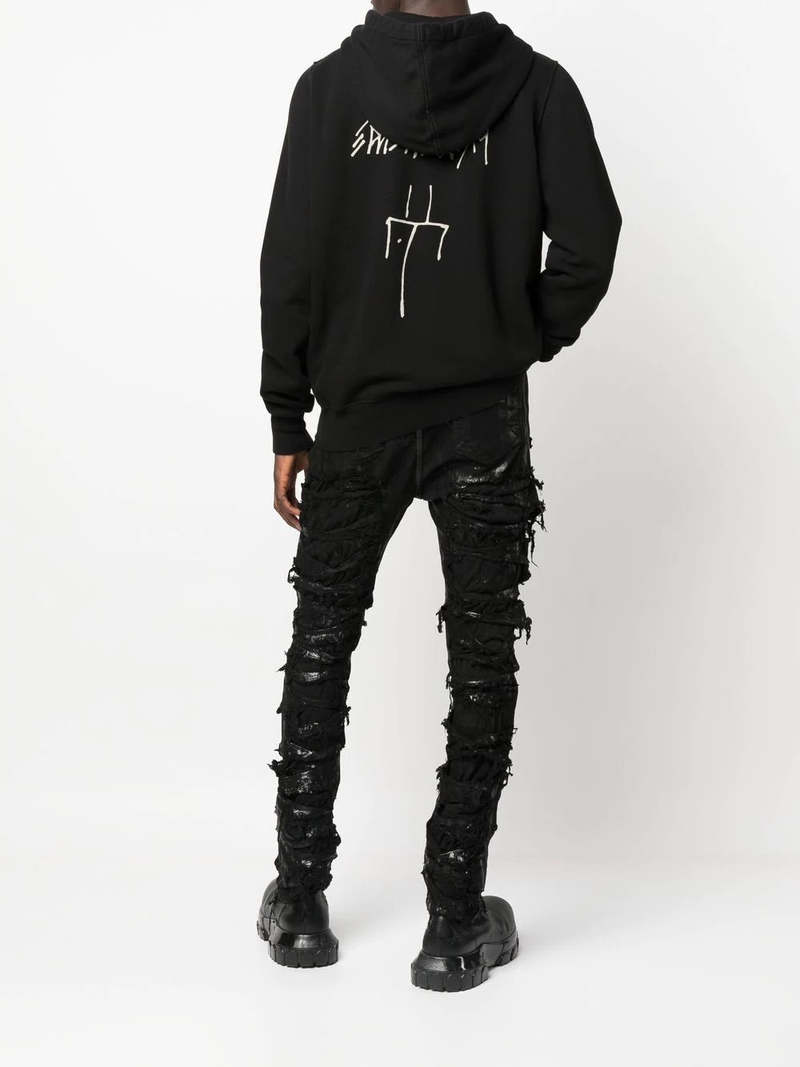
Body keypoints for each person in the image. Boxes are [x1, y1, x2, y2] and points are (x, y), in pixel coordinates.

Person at [256, 0, 620, 992]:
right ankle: (454, 921)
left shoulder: (327, 94)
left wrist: (288, 416)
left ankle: (300, 903)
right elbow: (589, 244)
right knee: (481, 659)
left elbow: (289, 263)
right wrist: (513, 337)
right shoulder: (536, 89)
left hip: (358, 418)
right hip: (481, 420)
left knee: (323, 638)